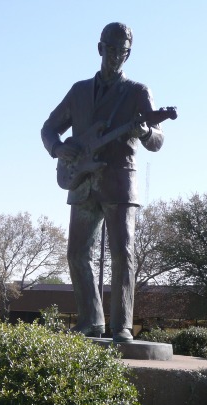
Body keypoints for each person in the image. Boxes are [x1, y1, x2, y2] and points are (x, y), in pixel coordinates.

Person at [41, 22, 164, 342]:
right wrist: (59, 148)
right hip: (81, 179)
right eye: (110, 50)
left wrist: (146, 131)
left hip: (119, 180)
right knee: (77, 253)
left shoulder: (138, 92)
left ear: (129, 54)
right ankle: (91, 320)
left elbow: (158, 140)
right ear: (100, 49)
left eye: (121, 52)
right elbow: (49, 128)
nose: (115, 57)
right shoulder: (79, 91)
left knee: (123, 252)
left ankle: (122, 325)